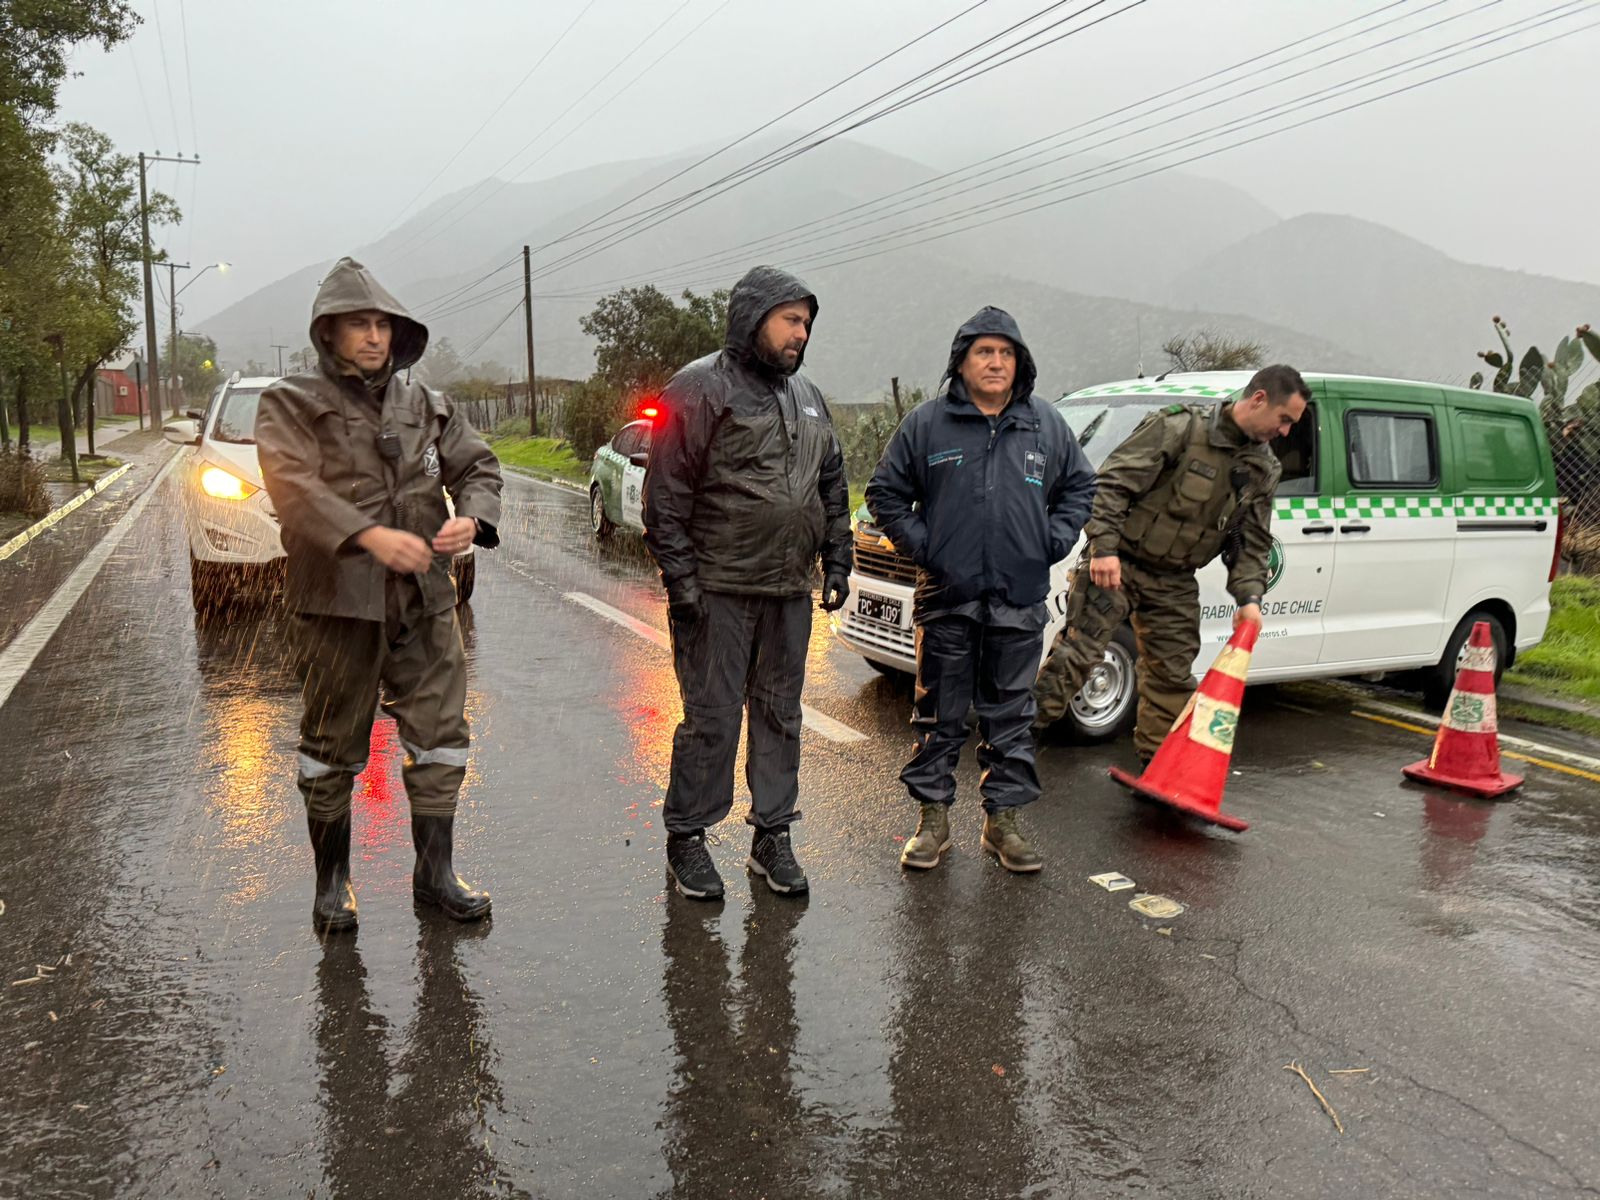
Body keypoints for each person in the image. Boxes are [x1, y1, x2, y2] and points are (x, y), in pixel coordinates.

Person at [256, 256, 503, 933]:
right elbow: (293, 488)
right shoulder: (290, 402)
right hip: (338, 604)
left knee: (441, 737)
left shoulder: (425, 403)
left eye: (383, 325)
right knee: (331, 746)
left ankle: (435, 872)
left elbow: (477, 463)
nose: (374, 336)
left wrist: (472, 518)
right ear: (329, 333)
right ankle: (332, 880)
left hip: (424, 600)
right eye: (359, 325)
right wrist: (368, 534)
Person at [642, 265, 851, 901]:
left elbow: (832, 482)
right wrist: (682, 584)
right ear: (753, 318)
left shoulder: (809, 396)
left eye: (807, 324)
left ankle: (772, 836)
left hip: (787, 590)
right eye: (791, 320)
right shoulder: (701, 388)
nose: (801, 334)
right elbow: (667, 496)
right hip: (718, 590)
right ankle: (688, 839)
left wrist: (837, 558)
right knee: (711, 720)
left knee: (780, 714)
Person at [866, 307, 1096, 874]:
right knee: (939, 715)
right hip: (947, 597)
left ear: (1020, 362)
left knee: (1010, 715)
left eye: (1006, 353)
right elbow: (885, 493)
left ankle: (1003, 822)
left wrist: (1052, 539)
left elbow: (1081, 486)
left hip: (1018, 597)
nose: (996, 362)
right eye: (984, 352)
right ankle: (933, 823)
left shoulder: (1045, 424)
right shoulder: (927, 424)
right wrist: (932, 549)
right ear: (962, 362)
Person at [1033, 363, 1310, 768]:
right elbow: (1111, 486)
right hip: (1119, 563)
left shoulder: (1262, 469)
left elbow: (1252, 541)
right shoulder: (1180, 429)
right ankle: (1012, 747)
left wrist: (1250, 597)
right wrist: (1105, 548)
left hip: (1175, 579)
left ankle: (1160, 773)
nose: (1285, 432)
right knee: (1078, 656)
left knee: (1172, 677)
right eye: (1284, 419)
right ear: (1259, 399)